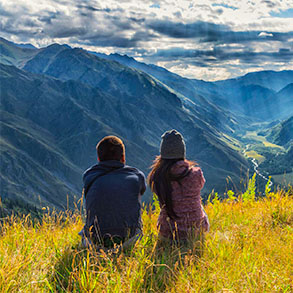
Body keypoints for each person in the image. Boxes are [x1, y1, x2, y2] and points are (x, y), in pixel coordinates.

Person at [81, 135, 146, 249]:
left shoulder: (89, 176)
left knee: (84, 232)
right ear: (123, 157)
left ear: (99, 158)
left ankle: (97, 249)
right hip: (128, 237)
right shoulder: (137, 176)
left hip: (96, 237)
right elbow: (141, 191)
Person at [148, 129, 209, 244]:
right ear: (182, 152)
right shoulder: (196, 174)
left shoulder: (158, 177)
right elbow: (200, 185)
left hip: (168, 234)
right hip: (195, 233)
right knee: (200, 206)